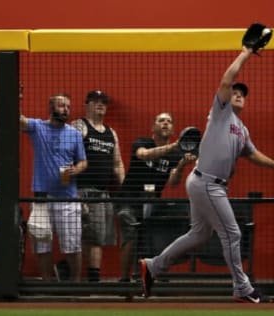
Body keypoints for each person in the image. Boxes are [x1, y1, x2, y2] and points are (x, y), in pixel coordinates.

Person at [139, 46, 274, 303]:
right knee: (232, 234)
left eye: (241, 94)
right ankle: (243, 289)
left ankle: (153, 265)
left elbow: (252, 154)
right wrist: (246, 52)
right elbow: (227, 79)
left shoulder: (241, 129)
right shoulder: (221, 113)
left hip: (208, 184)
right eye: (234, 92)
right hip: (207, 182)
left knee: (199, 234)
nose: (237, 95)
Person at [117, 112, 197, 282]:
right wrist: (176, 145)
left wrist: (182, 164)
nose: (165, 123)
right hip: (128, 199)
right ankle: (124, 280)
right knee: (130, 233)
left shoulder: (175, 155)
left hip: (152, 204)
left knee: (154, 236)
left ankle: (149, 275)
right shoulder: (142, 142)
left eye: (169, 121)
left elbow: (173, 182)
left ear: (173, 128)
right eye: (161, 120)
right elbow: (144, 155)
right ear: (153, 127)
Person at [20, 93, 87, 282]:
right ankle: (47, 283)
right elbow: (18, 121)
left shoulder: (74, 134)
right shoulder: (37, 127)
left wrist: (76, 169)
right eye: (61, 106)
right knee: (42, 245)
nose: (66, 110)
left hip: (68, 197)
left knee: (72, 246)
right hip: (42, 197)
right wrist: (16, 98)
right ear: (51, 108)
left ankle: (75, 283)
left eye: (68, 106)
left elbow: (83, 162)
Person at [71, 90, 125, 282]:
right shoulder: (79, 126)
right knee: (89, 236)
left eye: (103, 102)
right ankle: (89, 279)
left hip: (103, 193)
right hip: (83, 191)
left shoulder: (111, 133)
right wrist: (73, 193)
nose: (100, 104)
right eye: (95, 101)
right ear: (87, 105)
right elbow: (68, 156)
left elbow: (117, 164)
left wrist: (125, 190)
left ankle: (91, 277)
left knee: (100, 238)